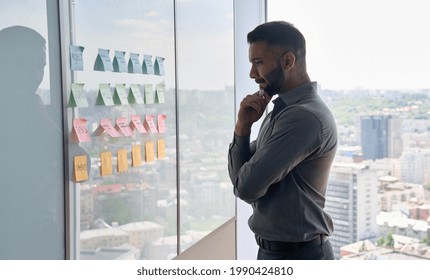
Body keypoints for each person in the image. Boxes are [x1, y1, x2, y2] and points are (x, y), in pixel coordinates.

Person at [228, 21, 338, 260]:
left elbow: (246, 188)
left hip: (299, 256)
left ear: (288, 62)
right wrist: (243, 127)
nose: (252, 74)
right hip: (278, 252)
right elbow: (242, 179)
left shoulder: (302, 117)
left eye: (258, 62)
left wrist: (245, 175)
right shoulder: (282, 111)